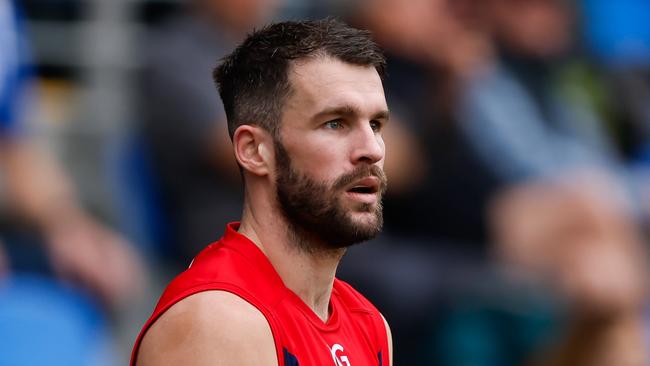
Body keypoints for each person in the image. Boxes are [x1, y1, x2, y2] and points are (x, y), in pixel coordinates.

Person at [132, 19, 393, 365]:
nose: (371, 149)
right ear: (255, 150)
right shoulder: (218, 322)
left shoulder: (369, 323)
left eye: (375, 124)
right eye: (335, 123)